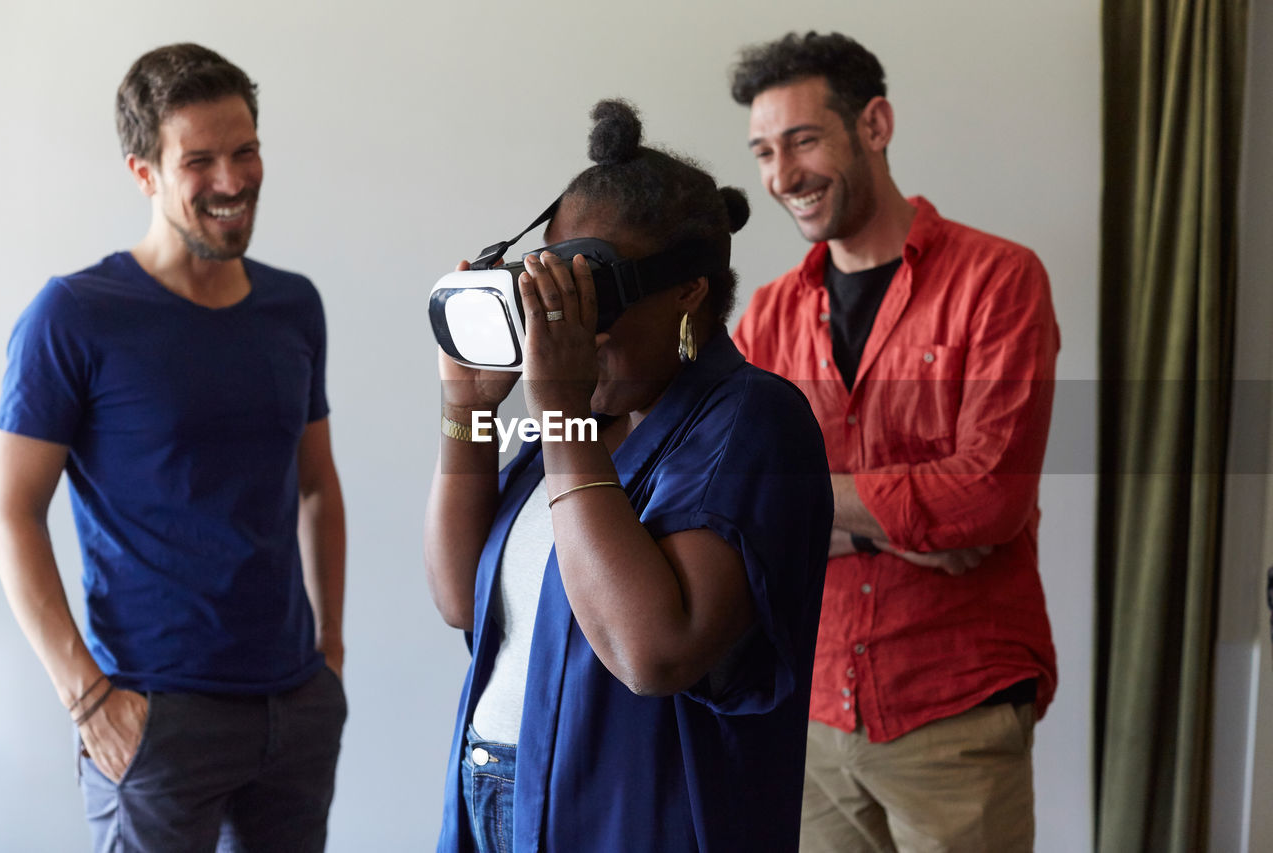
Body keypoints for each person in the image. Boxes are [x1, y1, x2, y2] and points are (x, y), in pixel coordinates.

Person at [424, 99, 833, 852]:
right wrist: (470, 409)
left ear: (688, 291)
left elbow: (655, 650)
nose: (574, 331)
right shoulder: (588, 422)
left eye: (594, 298)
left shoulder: (751, 421)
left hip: (629, 821)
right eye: (553, 296)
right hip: (493, 795)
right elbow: (459, 599)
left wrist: (559, 416)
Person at [0, 43, 346, 852]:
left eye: (245, 150)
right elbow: (9, 510)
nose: (232, 180)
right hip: (156, 718)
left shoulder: (294, 307)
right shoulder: (74, 316)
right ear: (144, 172)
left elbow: (317, 485)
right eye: (200, 160)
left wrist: (329, 657)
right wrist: (87, 700)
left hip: (294, 709)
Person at [729, 32, 1060, 853]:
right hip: (809, 717)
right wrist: (909, 528)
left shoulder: (1000, 281)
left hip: (957, 708)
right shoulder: (767, 317)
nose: (781, 176)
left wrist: (807, 509)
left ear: (873, 124)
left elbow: (988, 497)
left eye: (803, 140)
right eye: (765, 151)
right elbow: (729, 498)